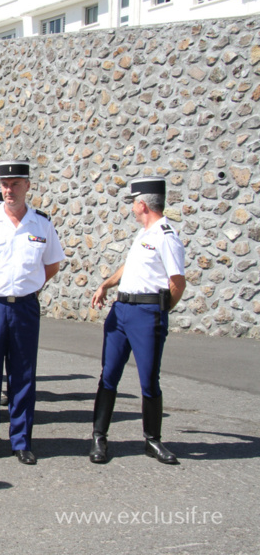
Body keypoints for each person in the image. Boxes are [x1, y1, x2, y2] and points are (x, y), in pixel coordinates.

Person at [0, 160, 64, 465]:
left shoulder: (41, 224)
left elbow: (52, 264)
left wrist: (28, 285)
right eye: (5, 184)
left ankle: (21, 441)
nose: (9, 190)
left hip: (26, 308)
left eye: (15, 184)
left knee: (23, 375)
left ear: (27, 186)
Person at [89, 177, 186, 465]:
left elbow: (177, 283)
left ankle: (152, 441)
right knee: (109, 375)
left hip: (146, 314)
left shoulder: (166, 236)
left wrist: (159, 312)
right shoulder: (145, 233)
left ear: (142, 204)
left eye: (133, 203)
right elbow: (130, 266)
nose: (131, 208)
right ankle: (98, 436)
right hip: (121, 313)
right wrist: (106, 284)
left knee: (148, 380)